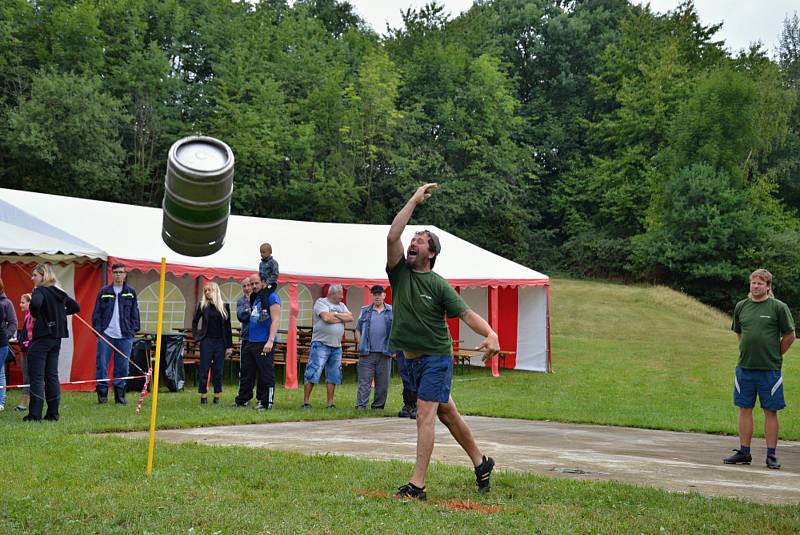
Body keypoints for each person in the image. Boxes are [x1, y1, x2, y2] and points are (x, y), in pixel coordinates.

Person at [388, 183, 499, 500]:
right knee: (447, 413)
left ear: (431, 253)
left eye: (420, 242)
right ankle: (482, 463)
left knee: (424, 414)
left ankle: (417, 485)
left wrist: (490, 333)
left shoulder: (438, 285)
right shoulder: (399, 273)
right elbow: (392, 236)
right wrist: (413, 200)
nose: (412, 243)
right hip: (409, 361)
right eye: (413, 240)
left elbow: (466, 315)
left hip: (435, 358)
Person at [724, 269, 795, 470]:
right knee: (744, 408)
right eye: (753, 283)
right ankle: (744, 452)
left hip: (769, 370)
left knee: (770, 411)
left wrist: (776, 353)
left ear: (768, 286)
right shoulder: (741, 307)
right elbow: (739, 333)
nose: (755, 286)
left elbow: (790, 335)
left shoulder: (778, 307)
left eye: (760, 283)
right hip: (744, 368)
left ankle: (771, 455)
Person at [25, 263, 80, 421]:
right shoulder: (58, 291)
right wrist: (60, 314)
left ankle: (34, 415)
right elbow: (76, 307)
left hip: (42, 337)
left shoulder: (40, 290)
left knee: (36, 376)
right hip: (56, 338)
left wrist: (35, 314)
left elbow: (35, 304)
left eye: (35, 275)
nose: (32, 278)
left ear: (43, 276)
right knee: (51, 376)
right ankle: (53, 414)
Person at [91, 263, 141, 405]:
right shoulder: (104, 291)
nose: (118, 275)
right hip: (106, 335)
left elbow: (135, 313)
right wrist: (99, 331)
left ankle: (120, 396)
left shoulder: (131, 292)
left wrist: (133, 330)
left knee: (123, 366)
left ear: (125, 274)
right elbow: (97, 313)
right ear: (112, 274)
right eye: (116, 272)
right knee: (102, 365)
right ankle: (102, 395)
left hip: (125, 335)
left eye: (121, 272)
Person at [301, 284, 353, 409]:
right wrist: (341, 317)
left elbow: (350, 317)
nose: (342, 296)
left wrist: (334, 314)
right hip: (320, 344)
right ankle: (306, 402)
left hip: (337, 346)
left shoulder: (342, 306)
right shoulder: (321, 302)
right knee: (313, 372)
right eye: (340, 294)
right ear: (332, 294)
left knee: (333, 375)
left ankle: (330, 403)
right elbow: (326, 318)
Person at [234, 277, 281, 409]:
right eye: (252, 283)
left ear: (263, 283)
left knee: (265, 373)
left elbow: (276, 320)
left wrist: (270, 341)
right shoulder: (257, 299)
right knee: (247, 371)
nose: (253, 286)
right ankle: (243, 399)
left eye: (256, 283)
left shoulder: (272, 297)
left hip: (264, 341)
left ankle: (266, 402)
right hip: (251, 340)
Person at [192, 282, 233, 405]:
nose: (207, 293)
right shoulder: (203, 306)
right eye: (205, 291)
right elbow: (194, 322)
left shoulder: (224, 306)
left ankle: (217, 396)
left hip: (220, 342)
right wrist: (197, 336)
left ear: (216, 291)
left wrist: (229, 346)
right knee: (204, 369)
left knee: (218, 370)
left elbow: (228, 327)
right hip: (207, 341)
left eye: (209, 290)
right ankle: (203, 396)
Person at [354, 285, 394, 410]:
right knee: (364, 381)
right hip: (367, 352)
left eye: (379, 294)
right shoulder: (364, 310)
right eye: (375, 294)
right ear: (371, 296)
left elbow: (398, 329)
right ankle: (361, 406)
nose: (377, 296)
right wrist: (360, 343)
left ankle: (378, 407)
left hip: (385, 352)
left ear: (384, 295)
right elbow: (357, 329)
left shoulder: (392, 311)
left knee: (382, 383)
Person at [0, 278, 19, 411]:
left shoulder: (6, 303)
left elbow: (13, 323)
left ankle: (1, 401)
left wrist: (5, 335)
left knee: (0, 373)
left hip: (1, 343)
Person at [15, 293, 34, 411]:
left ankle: (23, 404)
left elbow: (32, 336)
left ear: (29, 303)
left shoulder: (31, 316)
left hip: (29, 352)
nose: (20, 304)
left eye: (23, 302)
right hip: (25, 351)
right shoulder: (27, 316)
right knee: (27, 378)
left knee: (28, 378)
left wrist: (25, 344)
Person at [257, 243, 279, 320]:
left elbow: (275, 274)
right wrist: (261, 282)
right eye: (261, 252)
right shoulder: (261, 264)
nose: (262, 254)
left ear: (270, 252)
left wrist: (267, 283)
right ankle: (259, 311)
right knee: (258, 294)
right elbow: (260, 275)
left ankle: (265, 312)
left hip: (271, 283)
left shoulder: (273, 262)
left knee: (264, 293)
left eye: (264, 252)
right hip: (263, 284)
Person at [396, 351, 418, 419]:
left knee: (416, 373)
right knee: (405, 374)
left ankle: (418, 405)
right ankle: (408, 404)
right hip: (402, 345)